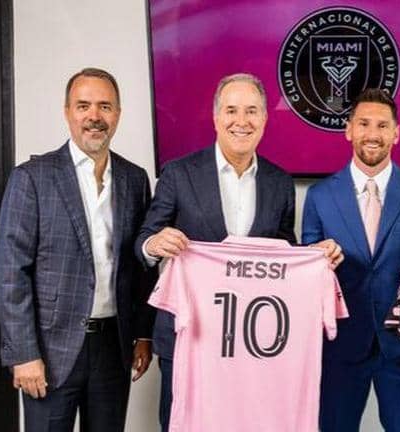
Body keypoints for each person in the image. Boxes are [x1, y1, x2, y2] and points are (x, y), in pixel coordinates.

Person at [134, 72, 343, 431]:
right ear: (216, 118)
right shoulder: (179, 174)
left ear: (264, 119)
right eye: (231, 110)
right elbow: (144, 240)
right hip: (190, 340)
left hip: (253, 347)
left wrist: (315, 258)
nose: (241, 121)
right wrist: (154, 244)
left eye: (251, 111)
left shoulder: (280, 182)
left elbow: (282, 256)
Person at [0, 67, 154, 431]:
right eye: (83, 106)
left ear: (118, 114)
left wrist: (143, 334)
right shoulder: (32, 178)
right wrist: (23, 353)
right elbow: (11, 273)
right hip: (50, 351)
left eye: (104, 106)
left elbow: (141, 267)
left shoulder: (134, 179)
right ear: (68, 112)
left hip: (114, 347)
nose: (94, 116)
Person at [303, 88, 400, 432]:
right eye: (364, 124)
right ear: (349, 129)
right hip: (340, 344)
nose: (373, 134)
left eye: (382, 125)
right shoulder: (319, 195)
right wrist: (319, 255)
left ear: (396, 133)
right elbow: (307, 274)